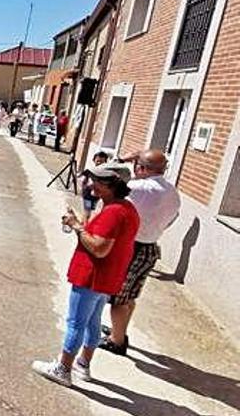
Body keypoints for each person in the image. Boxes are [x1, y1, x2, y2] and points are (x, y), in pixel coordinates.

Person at [32, 163, 139, 386]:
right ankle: (83, 364)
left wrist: (77, 227)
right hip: (107, 278)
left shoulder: (113, 212)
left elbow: (100, 248)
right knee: (92, 322)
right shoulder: (127, 209)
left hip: (93, 276)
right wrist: (82, 225)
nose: (92, 185)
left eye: (99, 181)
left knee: (76, 323)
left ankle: (63, 368)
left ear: (112, 185)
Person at [99, 149, 180, 356]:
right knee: (131, 295)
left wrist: (121, 160)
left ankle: (116, 341)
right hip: (150, 247)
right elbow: (172, 220)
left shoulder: (135, 187)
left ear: (141, 168)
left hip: (130, 246)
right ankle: (120, 331)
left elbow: (103, 177)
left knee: (118, 298)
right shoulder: (173, 192)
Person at [80, 151, 110, 221]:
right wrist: (86, 187)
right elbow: (83, 180)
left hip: (97, 197)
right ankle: (84, 225)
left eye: (102, 162)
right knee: (87, 211)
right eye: (98, 161)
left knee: (92, 211)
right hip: (88, 195)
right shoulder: (89, 171)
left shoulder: (105, 173)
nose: (99, 163)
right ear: (94, 160)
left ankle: (85, 223)